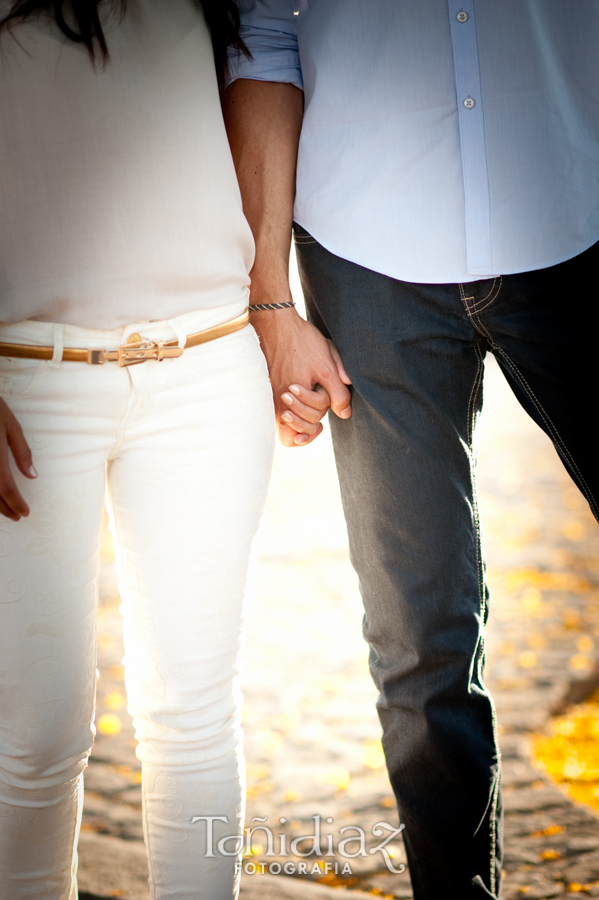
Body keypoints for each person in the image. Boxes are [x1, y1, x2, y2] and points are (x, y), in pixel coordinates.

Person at [223, 2, 599, 897]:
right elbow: (266, 38)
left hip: (575, 219)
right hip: (365, 253)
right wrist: (270, 299)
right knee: (415, 630)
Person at [0, 1, 275, 898]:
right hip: (25, 383)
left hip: (206, 365)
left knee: (194, 716)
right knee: (34, 736)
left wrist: (274, 308)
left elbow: (268, 74)